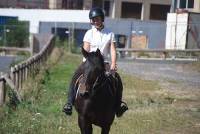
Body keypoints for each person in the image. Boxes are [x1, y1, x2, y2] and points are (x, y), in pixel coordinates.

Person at [63, 7, 128, 117]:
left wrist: (113, 63)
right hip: (89, 62)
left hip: (104, 64)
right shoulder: (89, 33)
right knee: (75, 77)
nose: (95, 22)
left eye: (97, 19)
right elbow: (86, 49)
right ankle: (69, 103)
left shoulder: (110, 34)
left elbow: (112, 50)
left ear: (102, 19)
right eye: (93, 20)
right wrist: (87, 63)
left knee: (117, 79)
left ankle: (118, 106)